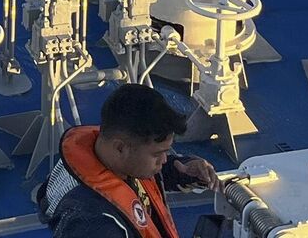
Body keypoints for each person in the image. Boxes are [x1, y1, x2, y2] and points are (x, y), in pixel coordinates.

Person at [36, 84, 220, 238]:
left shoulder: (109, 155)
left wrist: (184, 171)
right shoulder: (93, 226)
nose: (164, 160)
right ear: (120, 148)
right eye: (158, 154)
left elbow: (142, 178)